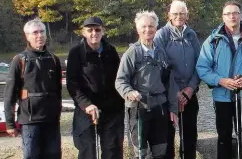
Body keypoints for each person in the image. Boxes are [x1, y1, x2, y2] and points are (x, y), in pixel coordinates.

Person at [196, 0, 242, 159]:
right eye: (228, 13)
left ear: (241, 16)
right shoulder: (213, 40)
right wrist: (220, 80)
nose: (232, 16)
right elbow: (202, 68)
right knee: (224, 137)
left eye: (235, 13)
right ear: (223, 17)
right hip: (222, 97)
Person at [115, 11, 179, 159]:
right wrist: (129, 92)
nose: (147, 30)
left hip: (160, 108)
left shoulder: (161, 52)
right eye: (144, 26)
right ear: (137, 29)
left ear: (156, 28)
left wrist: (173, 109)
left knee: (161, 152)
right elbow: (120, 81)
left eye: (151, 26)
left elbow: (170, 82)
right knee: (140, 154)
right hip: (139, 109)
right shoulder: (132, 53)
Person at [4, 18, 63, 159]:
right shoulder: (19, 60)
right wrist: (10, 123)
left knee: (54, 155)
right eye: (35, 32)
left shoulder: (53, 59)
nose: (39, 35)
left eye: (42, 31)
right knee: (32, 156)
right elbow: (10, 95)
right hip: (30, 121)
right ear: (27, 36)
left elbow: (59, 91)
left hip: (51, 121)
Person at [67, 16, 124, 159]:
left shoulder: (111, 50)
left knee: (113, 151)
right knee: (88, 151)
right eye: (90, 30)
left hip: (111, 109)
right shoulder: (76, 53)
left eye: (97, 29)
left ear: (103, 31)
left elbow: (119, 79)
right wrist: (86, 105)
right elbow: (72, 84)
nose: (94, 33)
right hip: (86, 109)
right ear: (84, 32)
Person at [153, 0, 202, 159]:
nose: (179, 16)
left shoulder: (192, 35)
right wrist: (176, 93)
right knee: (167, 139)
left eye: (182, 13)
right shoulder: (161, 35)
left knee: (189, 139)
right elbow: (162, 67)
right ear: (169, 15)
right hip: (169, 96)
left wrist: (189, 90)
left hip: (189, 95)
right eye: (175, 13)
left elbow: (199, 64)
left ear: (187, 15)